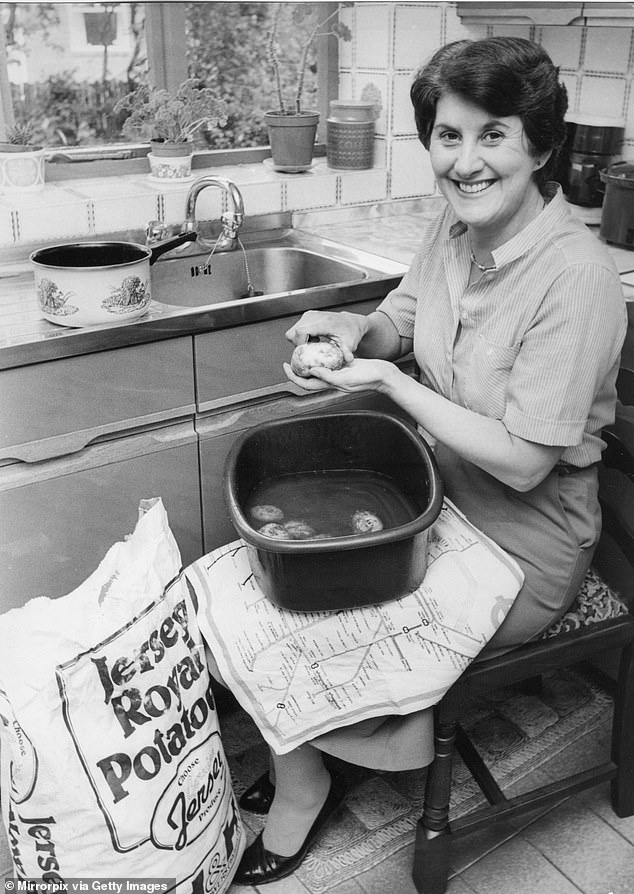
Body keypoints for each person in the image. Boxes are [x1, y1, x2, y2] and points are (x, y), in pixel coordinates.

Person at [231, 36, 627, 886]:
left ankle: (312, 782)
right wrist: (348, 339)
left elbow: (525, 464)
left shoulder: (577, 278)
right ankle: (310, 763)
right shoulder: (453, 229)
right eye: (449, 136)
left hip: (527, 547)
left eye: (494, 135)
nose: (467, 160)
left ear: (544, 146)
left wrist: (385, 383)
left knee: (321, 619)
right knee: (260, 577)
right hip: (439, 504)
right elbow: (400, 320)